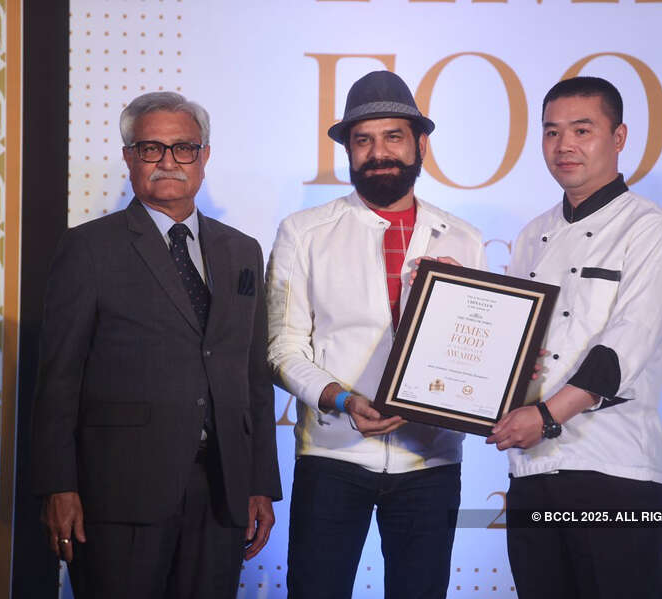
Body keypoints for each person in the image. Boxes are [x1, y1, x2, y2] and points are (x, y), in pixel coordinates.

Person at [30, 91, 282, 598]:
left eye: (183, 148)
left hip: (222, 490)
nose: (168, 161)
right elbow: (58, 379)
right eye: (151, 148)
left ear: (204, 156)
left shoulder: (242, 250)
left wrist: (260, 483)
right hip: (119, 491)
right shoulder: (88, 247)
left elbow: (252, 376)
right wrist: (58, 485)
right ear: (130, 157)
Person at [266, 70, 487, 599]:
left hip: (430, 460)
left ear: (420, 145)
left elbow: (476, 353)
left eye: (393, 137)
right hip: (332, 456)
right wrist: (342, 398)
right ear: (348, 151)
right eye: (363, 140)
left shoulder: (463, 238)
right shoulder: (304, 232)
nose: (378, 152)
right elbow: (281, 348)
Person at [486, 76, 662, 598]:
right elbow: (517, 343)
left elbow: (627, 344)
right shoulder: (532, 234)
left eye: (582, 130)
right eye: (552, 132)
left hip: (614, 469)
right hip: (532, 470)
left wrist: (546, 415)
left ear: (618, 137)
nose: (564, 145)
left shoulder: (649, 228)